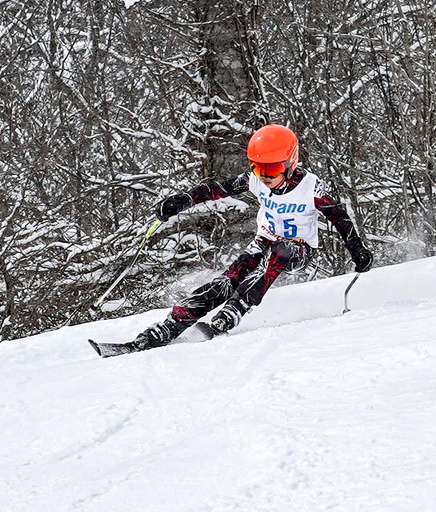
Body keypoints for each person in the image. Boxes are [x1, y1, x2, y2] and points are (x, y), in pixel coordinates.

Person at [127, 123, 373, 350]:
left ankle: (236, 308)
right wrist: (184, 200)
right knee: (227, 281)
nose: (265, 177)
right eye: (258, 168)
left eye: (273, 169)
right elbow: (216, 189)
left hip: (298, 250)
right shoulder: (256, 180)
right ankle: (169, 326)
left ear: (291, 163)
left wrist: (356, 249)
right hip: (263, 242)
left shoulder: (311, 187)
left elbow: (339, 218)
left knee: (281, 251)